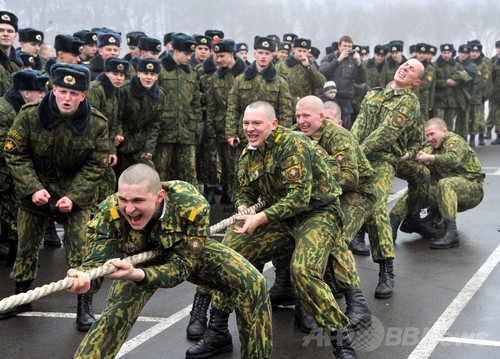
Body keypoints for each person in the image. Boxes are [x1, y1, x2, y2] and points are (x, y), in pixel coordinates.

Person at [188, 101, 357, 359]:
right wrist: (244, 206)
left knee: (304, 271)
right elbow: (244, 188)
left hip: (316, 214)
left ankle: (341, 342)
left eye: (257, 123)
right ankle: (218, 330)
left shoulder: (293, 144)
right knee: (229, 256)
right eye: (246, 123)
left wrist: (260, 218)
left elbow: (300, 196)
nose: (250, 128)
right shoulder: (250, 152)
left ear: (274, 124)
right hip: (281, 217)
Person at [66, 164, 271, 359]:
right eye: (123, 199)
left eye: (137, 201)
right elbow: (95, 263)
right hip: (138, 260)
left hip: (181, 253)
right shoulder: (108, 213)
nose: (128, 209)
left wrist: (137, 275)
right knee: (115, 316)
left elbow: (181, 268)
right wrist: (84, 278)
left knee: (252, 283)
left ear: (159, 196)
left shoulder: (192, 206)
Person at [1, 64, 109, 331]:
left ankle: (85, 304)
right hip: (35, 192)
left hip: (75, 195)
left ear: (84, 94)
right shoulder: (29, 115)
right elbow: (14, 153)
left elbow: (96, 165)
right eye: (62, 91)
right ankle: (21, 296)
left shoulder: (96, 124)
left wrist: (73, 196)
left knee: (82, 248)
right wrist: (32, 187)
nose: (67, 98)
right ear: (52, 89)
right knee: (25, 246)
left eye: (74, 93)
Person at [269, 96, 374, 332]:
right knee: (289, 225)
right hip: (319, 195)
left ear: (321, 117)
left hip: (356, 193)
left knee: (332, 238)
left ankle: (357, 302)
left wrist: (312, 185)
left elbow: (350, 177)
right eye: (298, 116)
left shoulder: (338, 136)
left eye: (306, 116)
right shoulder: (293, 134)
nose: (301, 121)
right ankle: (287, 285)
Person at [351, 58, 425, 299]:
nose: (404, 68)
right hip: (357, 155)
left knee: (377, 205)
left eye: (411, 68)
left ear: (416, 81)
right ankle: (335, 271)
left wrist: (356, 153)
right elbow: (358, 126)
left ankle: (385, 269)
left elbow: (387, 133)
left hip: (382, 159)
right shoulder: (373, 95)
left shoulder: (409, 101)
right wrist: (347, 149)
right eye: (404, 64)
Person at [389, 118, 484, 249]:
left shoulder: (454, 140)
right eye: (427, 135)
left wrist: (430, 158)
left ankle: (451, 234)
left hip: (472, 190)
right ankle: (392, 227)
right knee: (416, 188)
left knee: (445, 183)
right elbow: (417, 154)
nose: (429, 138)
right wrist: (407, 157)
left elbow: (453, 159)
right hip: (446, 195)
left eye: (432, 134)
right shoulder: (430, 147)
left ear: (444, 131)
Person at [0, 70, 48, 266]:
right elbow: (4, 145)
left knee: (15, 218)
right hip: (5, 173)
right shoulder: (5, 110)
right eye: (40, 92)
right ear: (26, 93)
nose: (43, 96)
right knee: (14, 217)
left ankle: (17, 258)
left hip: (11, 172)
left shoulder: (23, 108)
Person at [154, 33, 202, 185]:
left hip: (186, 130)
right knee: (161, 171)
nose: (189, 58)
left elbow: (196, 102)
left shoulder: (191, 73)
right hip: (164, 130)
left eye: (190, 54)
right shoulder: (160, 70)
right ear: (175, 52)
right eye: (186, 54)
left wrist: (196, 127)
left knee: (189, 171)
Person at [87, 57, 130, 202]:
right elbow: (92, 122)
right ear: (106, 73)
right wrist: (108, 149)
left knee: (109, 180)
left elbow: (116, 119)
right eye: (115, 74)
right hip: (92, 145)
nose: (119, 78)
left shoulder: (114, 91)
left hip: (106, 144)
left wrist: (118, 134)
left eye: (122, 75)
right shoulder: (95, 89)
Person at [114, 58, 165, 177]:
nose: (149, 77)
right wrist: (118, 134)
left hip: (140, 145)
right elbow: (116, 116)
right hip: (121, 143)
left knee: (147, 175)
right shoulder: (125, 89)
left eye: (152, 74)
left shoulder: (159, 95)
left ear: (157, 76)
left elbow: (155, 124)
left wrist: (149, 148)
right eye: (145, 73)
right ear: (138, 73)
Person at [319, 35, 366, 129]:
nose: (347, 49)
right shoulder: (329, 58)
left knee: (344, 127)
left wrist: (359, 64)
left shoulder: (353, 61)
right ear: (339, 46)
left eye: (349, 46)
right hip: (328, 97)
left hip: (345, 99)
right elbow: (322, 73)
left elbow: (361, 80)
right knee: (324, 125)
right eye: (345, 46)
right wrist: (338, 60)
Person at [276, 37, 326, 110]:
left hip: (306, 106)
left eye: (304, 51)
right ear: (294, 50)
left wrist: (308, 67)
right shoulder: (281, 66)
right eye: (299, 51)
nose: (302, 54)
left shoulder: (311, 66)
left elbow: (321, 83)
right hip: (287, 106)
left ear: (308, 52)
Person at [0, 11, 22, 96]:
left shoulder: (18, 64)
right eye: (1, 30)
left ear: (15, 36)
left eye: (10, 31)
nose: (6, 34)